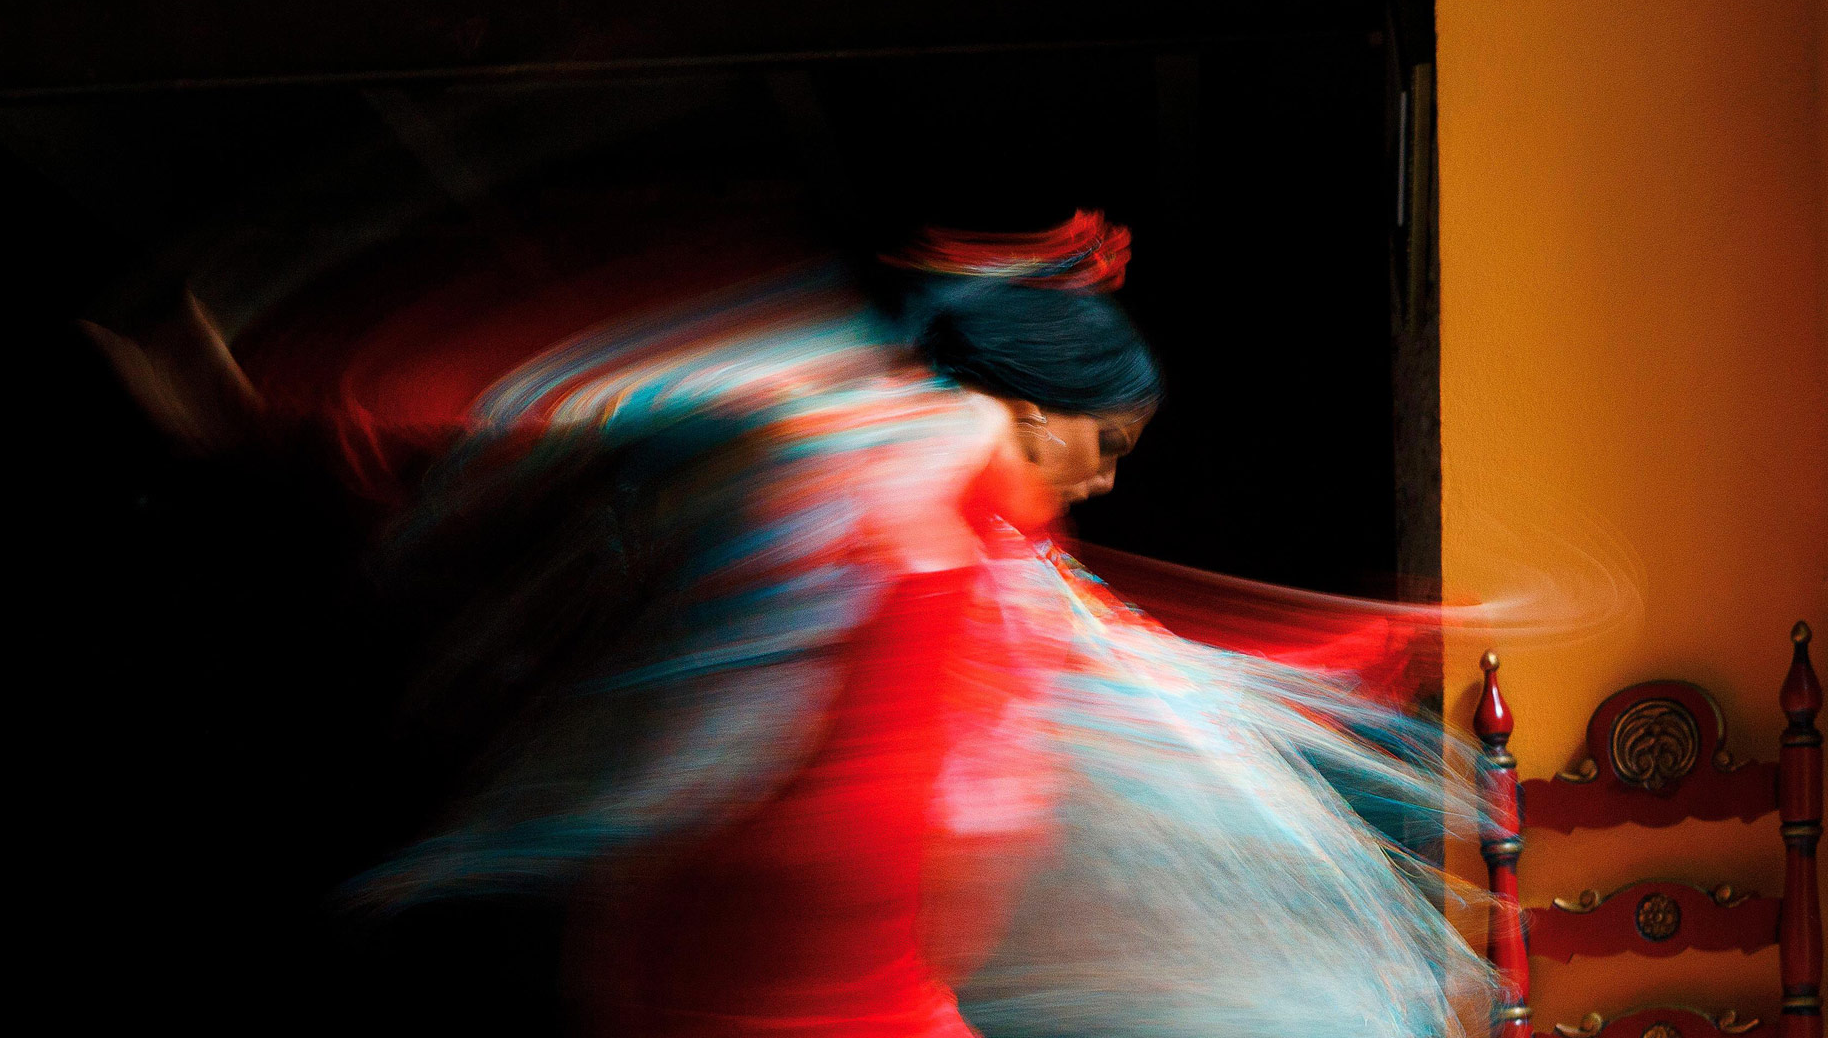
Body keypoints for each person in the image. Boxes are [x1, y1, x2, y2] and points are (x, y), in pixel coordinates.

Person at [89, 211, 1495, 1037]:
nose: (1106, 479)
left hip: (864, 976)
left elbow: (1155, 665)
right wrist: (280, 409)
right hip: (751, 952)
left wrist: (1353, 647)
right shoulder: (864, 445)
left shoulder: (1008, 563)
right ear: (1027, 410)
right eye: (1104, 444)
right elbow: (571, 398)